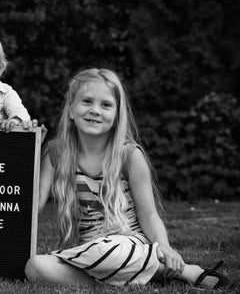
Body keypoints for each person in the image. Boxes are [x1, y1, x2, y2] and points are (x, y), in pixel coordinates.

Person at [24, 68, 232, 290]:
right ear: (71, 110)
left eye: (105, 105)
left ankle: (179, 269)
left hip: (128, 244)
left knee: (108, 251)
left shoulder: (128, 155)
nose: (95, 110)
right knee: (35, 266)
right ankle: (138, 276)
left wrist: (165, 247)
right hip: (89, 253)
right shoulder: (56, 153)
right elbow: (33, 206)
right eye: (86, 101)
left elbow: (150, 214)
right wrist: (30, 144)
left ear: (116, 116)